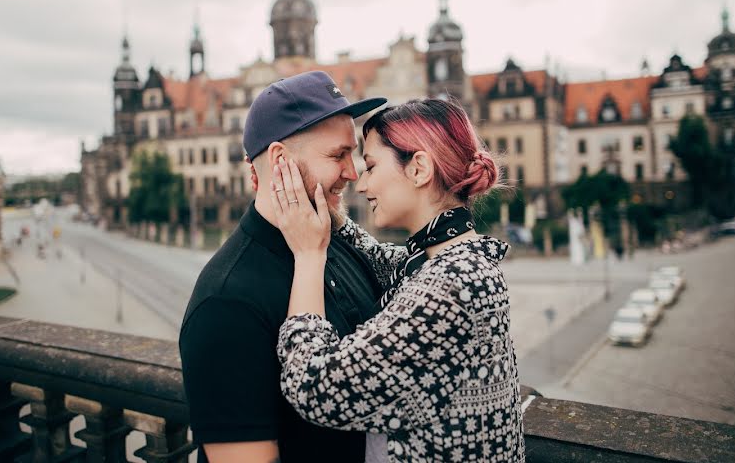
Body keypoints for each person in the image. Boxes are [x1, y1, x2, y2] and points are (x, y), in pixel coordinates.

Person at [273, 99, 525, 462]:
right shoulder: (457, 260)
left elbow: (316, 389)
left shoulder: (452, 284)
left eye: (372, 166)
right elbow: (390, 264)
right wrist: (334, 216)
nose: (361, 184)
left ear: (419, 168)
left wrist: (309, 256)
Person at [179, 71, 387, 463]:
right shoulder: (226, 302)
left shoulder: (335, 243)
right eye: (338, 155)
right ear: (280, 160)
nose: (353, 172)